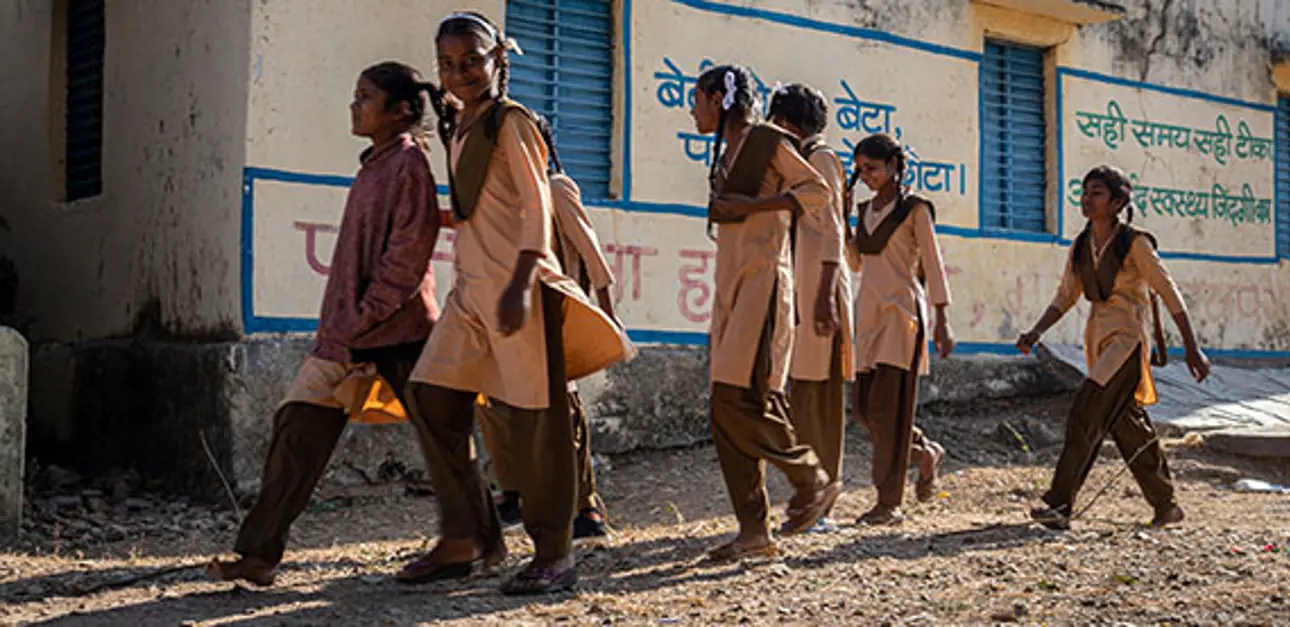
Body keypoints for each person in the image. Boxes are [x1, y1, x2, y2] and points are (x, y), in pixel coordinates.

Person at [395, 11, 633, 595]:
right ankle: (469, 539)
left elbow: (536, 205)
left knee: (537, 423)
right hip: (471, 295)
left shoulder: (512, 122)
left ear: (498, 58)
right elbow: (484, 209)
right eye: (449, 65)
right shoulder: (461, 124)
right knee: (431, 399)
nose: (460, 73)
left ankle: (555, 552)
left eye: (472, 60)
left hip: (518, 291)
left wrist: (522, 280)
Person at [206, 61, 442, 586]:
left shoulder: (407, 166)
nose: (354, 106)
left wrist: (366, 314)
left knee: (443, 443)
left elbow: (407, 255)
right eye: (354, 95)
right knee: (296, 430)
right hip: (347, 334)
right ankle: (258, 557)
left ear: (400, 110)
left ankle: (479, 541)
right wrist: (348, 323)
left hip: (397, 332)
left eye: (365, 97)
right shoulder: (374, 165)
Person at [693, 64, 842, 560]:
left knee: (735, 403)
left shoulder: (766, 140)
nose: (693, 109)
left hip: (761, 289)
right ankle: (754, 532)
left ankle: (811, 477)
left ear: (717, 98)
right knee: (726, 410)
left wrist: (762, 206)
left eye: (696, 98)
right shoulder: (726, 153)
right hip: (730, 292)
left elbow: (816, 192)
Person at [1017, 164, 1208, 530]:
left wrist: (1192, 348)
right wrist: (1035, 332)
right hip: (1099, 343)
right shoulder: (1081, 245)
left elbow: (1168, 292)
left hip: (1127, 344)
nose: (1087, 200)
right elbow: (1066, 296)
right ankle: (1166, 505)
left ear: (1118, 202)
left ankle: (1059, 504)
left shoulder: (1135, 244)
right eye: (1085, 192)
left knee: (1084, 415)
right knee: (1128, 425)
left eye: (1097, 193)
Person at [477, 113, 619, 541]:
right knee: (494, 403)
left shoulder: (555, 188)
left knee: (562, 413)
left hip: (555, 312)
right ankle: (515, 490)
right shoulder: (506, 196)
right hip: (514, 316)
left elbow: (593, 258)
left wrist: (607, 317)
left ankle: (585, 507)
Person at [845, 132, 954, 526]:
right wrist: (843, 221)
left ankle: (888, 503)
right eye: (860, 170)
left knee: (888, 407)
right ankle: (924, 453)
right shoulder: (864, 210)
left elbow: (933, 264)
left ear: (894, 166)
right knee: (864, 409)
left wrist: (942, 319)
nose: (866, 176)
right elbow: (857, 263)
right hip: (869, 316)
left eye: (872, 168)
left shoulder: (915, 209)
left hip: (902, 315)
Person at [767, 83, 852, 532]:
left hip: (818, 291)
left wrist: (822, 297)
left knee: (819, 399)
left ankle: (823, 503)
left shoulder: (820, 160)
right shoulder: (796, 165)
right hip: (800, 291)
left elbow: (833, 231)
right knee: (802, 395)